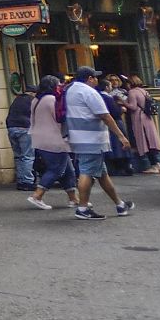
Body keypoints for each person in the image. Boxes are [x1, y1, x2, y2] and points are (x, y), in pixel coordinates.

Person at [64, 66, 135, 220]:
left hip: (78, 136)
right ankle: (82, 208)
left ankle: (120, 204)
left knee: (102, 174)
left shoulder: (71, 90)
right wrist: (121, 136)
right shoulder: (89, 92)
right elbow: (105, 115)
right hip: (92, 138)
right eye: (95, 77)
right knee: (87, 172)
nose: (97, 80)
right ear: (90, 79)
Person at [25, 74, 75, 210]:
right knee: (57, 169)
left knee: (68, 170)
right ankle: (37, 196)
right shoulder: (52, 99)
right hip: (54, 139)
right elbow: (60, 117)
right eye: (58, 84)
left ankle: (73, 199)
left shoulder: (36, 100)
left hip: (39, 138)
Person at [125, 76, 160, 174]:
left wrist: (123, 102)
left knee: (145, 142)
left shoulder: (132, 92)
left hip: (139, 118)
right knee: (150, 141)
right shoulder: (144, 91)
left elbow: (133, 107)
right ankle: (157, 164)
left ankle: (154, 165)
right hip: (147, 117)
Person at [5, 83, 38, 192]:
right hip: (25, 128)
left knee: (18, 156)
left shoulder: (17, 100)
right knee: (27, 156)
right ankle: (27, 181)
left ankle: (20, 180)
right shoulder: (33, 101)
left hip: (11, 128)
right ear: (33, 93)